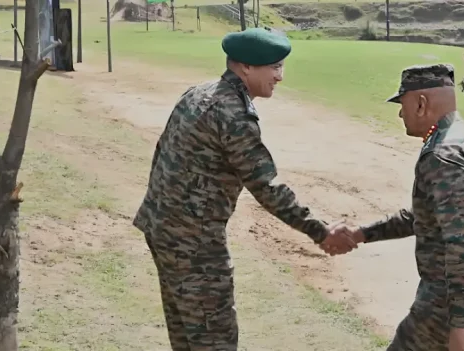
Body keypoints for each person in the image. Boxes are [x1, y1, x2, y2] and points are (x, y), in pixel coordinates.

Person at [132, 28, 355, 351]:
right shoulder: (233, 114)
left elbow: (161, 152)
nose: (280, 76)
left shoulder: (199, 93)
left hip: (161, 228)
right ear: (246, 67)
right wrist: (320, 231)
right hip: (194, 243)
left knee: (186, 335)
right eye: (274, 67)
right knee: (214, 339)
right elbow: (267, 186)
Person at [331, 63, 464, 351]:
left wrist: (459, 325)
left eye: (403, 104)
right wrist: (361, 234)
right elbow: (430, 216)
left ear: (421, 104)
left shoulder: (441, 155)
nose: (401, 114)